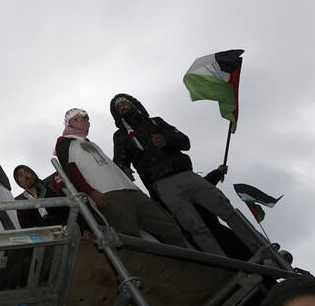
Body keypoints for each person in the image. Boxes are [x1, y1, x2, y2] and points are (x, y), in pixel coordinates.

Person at [110, 93, 258, 257]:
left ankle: (262, 251)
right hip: (163, 186)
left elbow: (185, 141)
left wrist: (167, 139)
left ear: (134, 104)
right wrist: (123, 168)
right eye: (118, 106)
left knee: (227, 210)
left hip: (187, 176)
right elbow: (119, 159)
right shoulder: (121, 136)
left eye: (125, 102)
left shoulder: (155, 121)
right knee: (194, 227)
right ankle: (225, 266)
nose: (122, 106)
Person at [54, 108, 186, 247]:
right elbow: (72, 172)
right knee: (130, 237)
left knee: (168, 227)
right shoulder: (65, 143)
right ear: (68, 123)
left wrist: (124, 174)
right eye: (76, 119)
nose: (82, 121)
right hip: (109, 194)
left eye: (85, 118)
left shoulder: (91, 143)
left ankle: (189, 263)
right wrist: (91, 192)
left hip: (131, 190)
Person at [12, 165, 69, 229]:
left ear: (33, 175)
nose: (25, 176)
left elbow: (70, 210)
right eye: (20, 175)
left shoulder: (52, 189)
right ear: (19, 183)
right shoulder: (22, 206)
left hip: (69, 231)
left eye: (27, 172)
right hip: (47, 237)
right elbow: (27, 228)